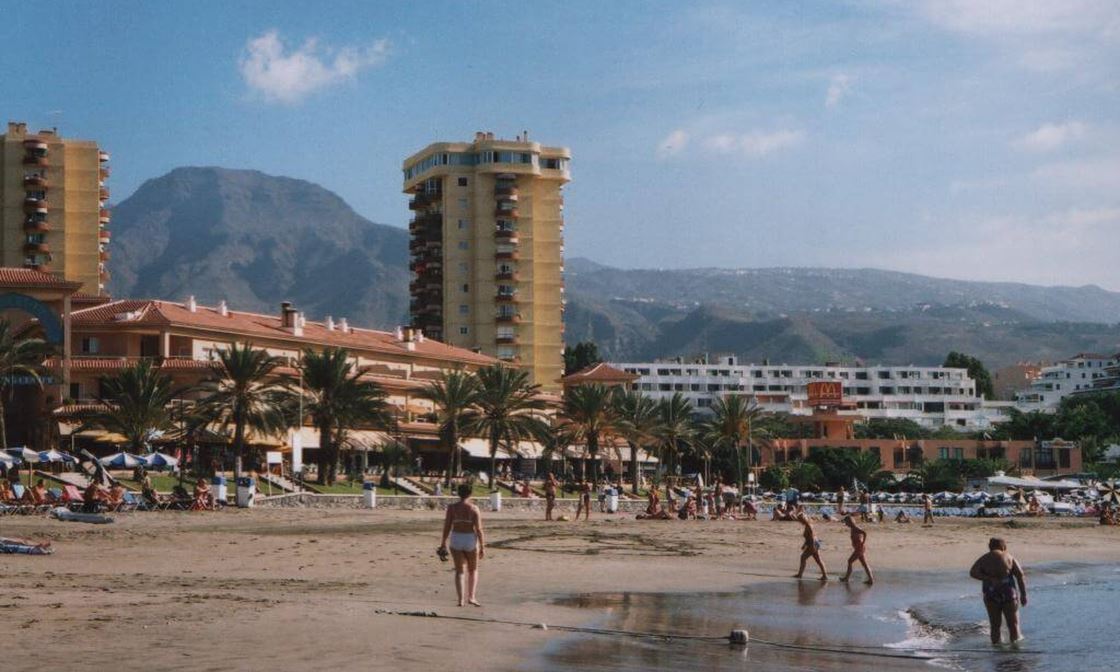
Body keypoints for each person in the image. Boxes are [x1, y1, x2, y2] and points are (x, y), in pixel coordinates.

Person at [970, 538, 1028, 645]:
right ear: (1003, 547)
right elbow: (1020, 575)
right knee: (1013, 624)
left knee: (995, 625)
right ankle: (1016, 650)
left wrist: (988, 578)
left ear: (990, 547)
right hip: (1008, 592)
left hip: (991, 593)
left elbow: (973, 572)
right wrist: (1023, 595)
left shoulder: (984, 559)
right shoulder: (1009, 557)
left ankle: (996, 650)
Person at [439, 483, 485, 607]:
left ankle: (460, 600)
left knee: (459, 571)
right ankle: (471, 597)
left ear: (459, 493)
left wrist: (443, 542)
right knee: (473, 569)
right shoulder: (474, 508)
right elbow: (479, 529)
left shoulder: (452, 508)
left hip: (456, 538)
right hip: (469, 538)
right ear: (470, 494)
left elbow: (447, 526)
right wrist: (482, 546)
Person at [839, 515, 875, 584]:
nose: (846, 524)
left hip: (859, 549)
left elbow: (864, 533)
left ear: (850, 522)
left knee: (850, 561)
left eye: (846, 522)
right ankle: (871, 579)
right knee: (864, 564)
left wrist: (863, 542)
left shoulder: (855, 528)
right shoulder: (853, 528)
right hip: (858, 548)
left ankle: (846, 578)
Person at [794, 512, 828, 581]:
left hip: (812, 544)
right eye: (799, 520)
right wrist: (804, 544)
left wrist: (812, 547)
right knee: (818, 560)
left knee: (803, 557)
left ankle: (800, 574)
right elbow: (809, 537)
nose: (800, 521)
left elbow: (812, 537)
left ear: (804, 519)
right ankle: (825, 576)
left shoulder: (809, 525)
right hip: (814, 543)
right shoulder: (808, 525)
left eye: (800, 520)